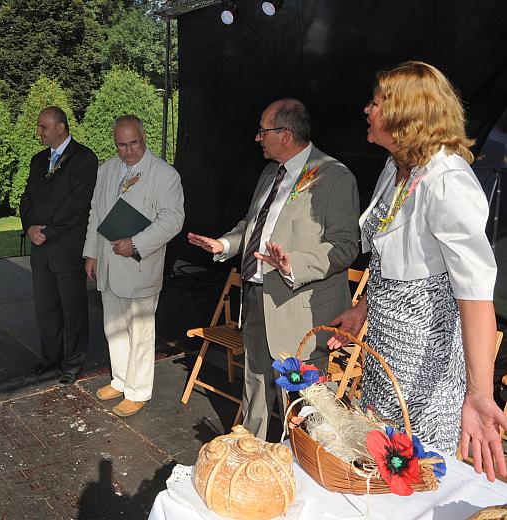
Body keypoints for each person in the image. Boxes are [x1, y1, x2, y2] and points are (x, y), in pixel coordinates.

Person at [327, 61, 507, 481]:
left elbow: (475, 293)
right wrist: (365, 310)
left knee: (416, 473)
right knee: (378, 458)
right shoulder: (397, 167)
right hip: (385, 350)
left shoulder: (447, 181)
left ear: (404, 115)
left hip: (425, 360)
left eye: (375, 103)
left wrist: (478, 392)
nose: (366, 110)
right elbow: (393, 260)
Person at [188, 99, 359, 441]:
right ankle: (253, 456)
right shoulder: (270, 173)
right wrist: (224, 245)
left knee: (304, 405)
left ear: (285, 134)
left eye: (263, 131)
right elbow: (253, 226)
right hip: (256, 300)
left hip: (300, 311)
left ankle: (307, 470)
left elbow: (345, 247)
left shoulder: (334, 176)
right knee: (255, 385)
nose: (257, 138)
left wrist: (293, 264)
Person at [83, 115, 184, 417]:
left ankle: (138, 391)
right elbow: (96, 212)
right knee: (114, 327)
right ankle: (121, 380)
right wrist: (91, 253)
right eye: (121, 146)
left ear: (145, 138)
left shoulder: (165, 174)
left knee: (139, 331)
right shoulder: (106, 170)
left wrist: (136, 243)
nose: (128, 151)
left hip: (140, 265)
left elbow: (172, 220)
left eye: (134, 143)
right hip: (108, 264)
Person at [20, 107, 98, 386]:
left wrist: (48, 232)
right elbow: (26, 197)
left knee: (72, 308)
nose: (38, 132)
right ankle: (50, 358)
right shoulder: (38, 160)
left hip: (66, 248)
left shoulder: (84, 159)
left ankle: (73, 363)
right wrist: (29, 227)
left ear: (61, 127)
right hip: (41, 250)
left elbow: (79, 204)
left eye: (43, 127)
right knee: (46, 309)